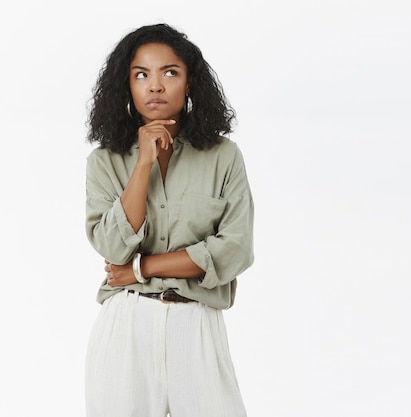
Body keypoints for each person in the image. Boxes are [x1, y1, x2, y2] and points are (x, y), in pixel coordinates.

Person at [84, 23, 254, 417]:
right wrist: (143, 163)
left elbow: (235, 249)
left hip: (197, 325)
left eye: (169, 73)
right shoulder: (104, 162)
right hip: (127, 328)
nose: (155, 86)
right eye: (141, 75)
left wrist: (141, 268)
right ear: (126, 85)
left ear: (189, 81)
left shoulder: (223, 157)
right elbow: (111, 248)